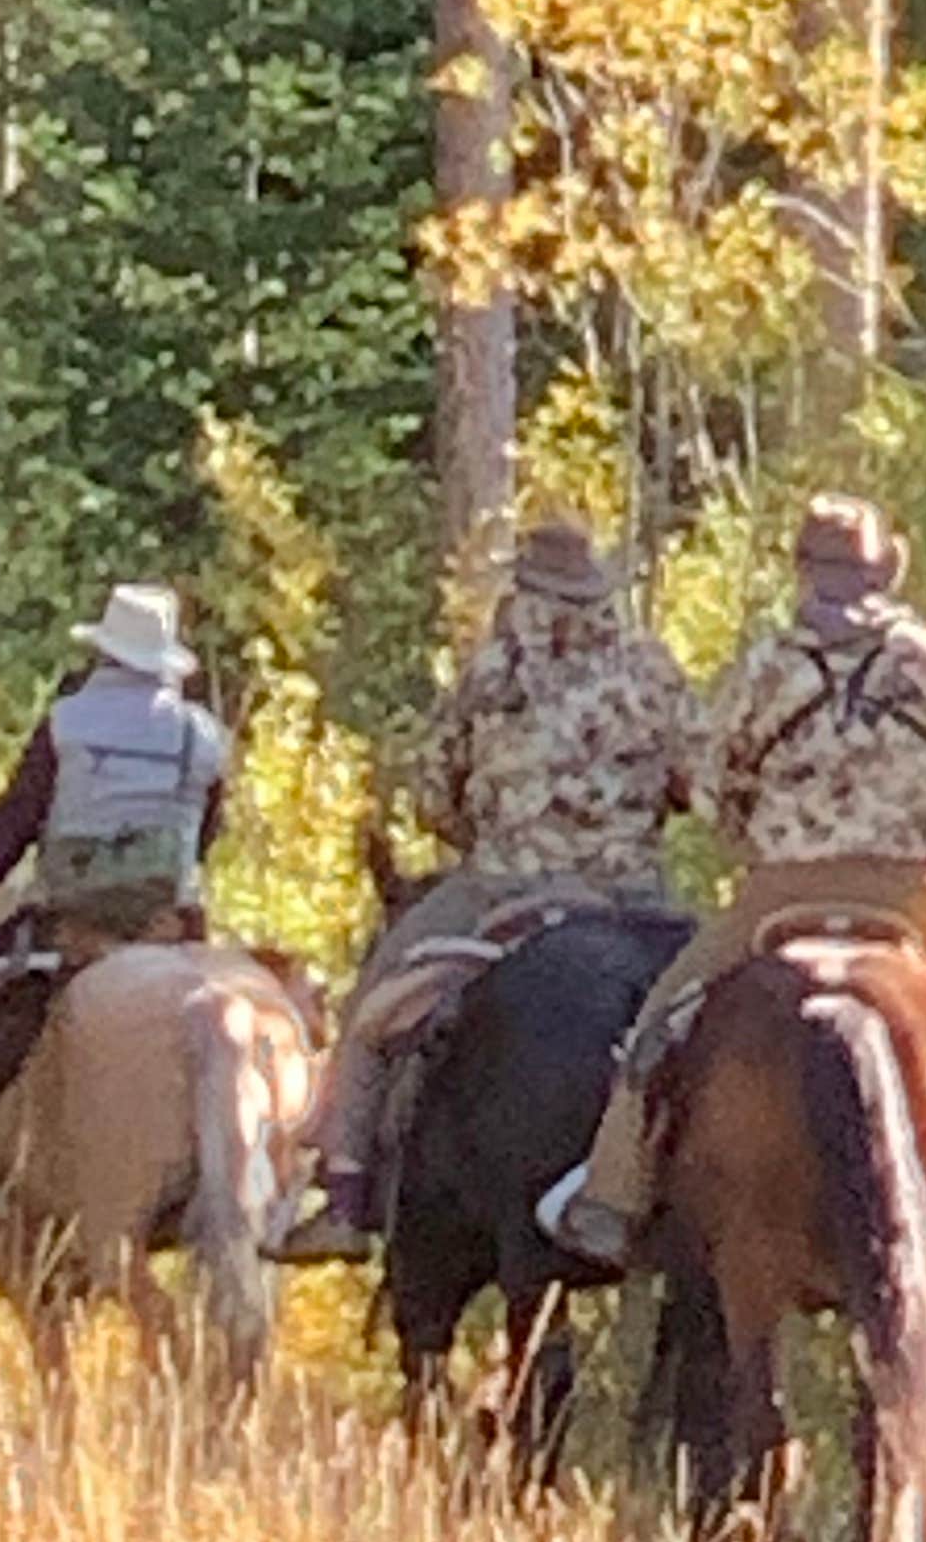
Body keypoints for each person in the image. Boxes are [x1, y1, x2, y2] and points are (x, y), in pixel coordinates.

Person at [540, 496, 926, 1286]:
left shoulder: (763, 666)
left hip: (780, 893)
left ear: (803, 572)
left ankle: (612, 1195)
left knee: (658, 1027)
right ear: (882, 569)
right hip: (914, 890)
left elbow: (710, 782)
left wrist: (758, 849)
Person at [272, 517, 696, 1261]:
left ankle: (343, 1193)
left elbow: (436, 796)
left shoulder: (493, 670)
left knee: (375, 1006)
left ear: (525, 588)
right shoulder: (652, 669)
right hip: (638, 900)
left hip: (506, 885)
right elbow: (697, 780)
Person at [0, 582, 233, 1180]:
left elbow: (14, 826)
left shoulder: (67, 724)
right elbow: (209, 831)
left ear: (105, 654)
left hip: (74, 914)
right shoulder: (205, 736)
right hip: (170, 918)